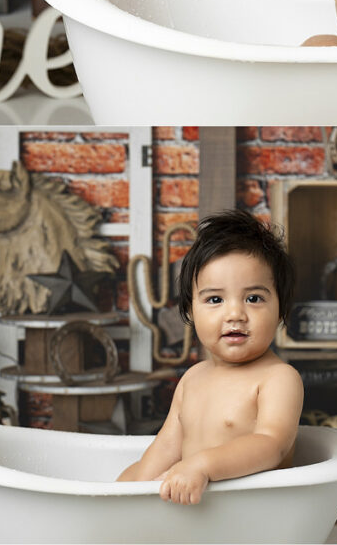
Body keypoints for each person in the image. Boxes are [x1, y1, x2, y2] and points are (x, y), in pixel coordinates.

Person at [117, 210, 303, 503]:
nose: (235, 314)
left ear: (280, 308)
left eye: (254, 298)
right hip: (192, 501)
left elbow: (271, 445)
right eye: (215, 300)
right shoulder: (193, 377)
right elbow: (168, 445)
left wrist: (202, 465)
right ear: (190, 312)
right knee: (128, 475)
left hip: (248, 509)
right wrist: (134, 493)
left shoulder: (279, 378)